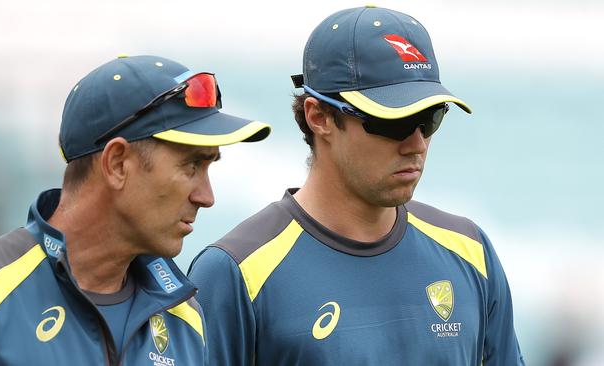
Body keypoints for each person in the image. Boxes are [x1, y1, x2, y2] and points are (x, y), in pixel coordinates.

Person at [189, 6, 524, 365]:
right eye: (393, 121)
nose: (417, 143)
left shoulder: (471, 251)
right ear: (319, 117)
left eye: (429, 119)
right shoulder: (235, 272)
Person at [0, 55, 270, 365]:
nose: (206, 197)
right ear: (117, 163)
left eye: (208, 167)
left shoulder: (185, 319)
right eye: (191, 166)